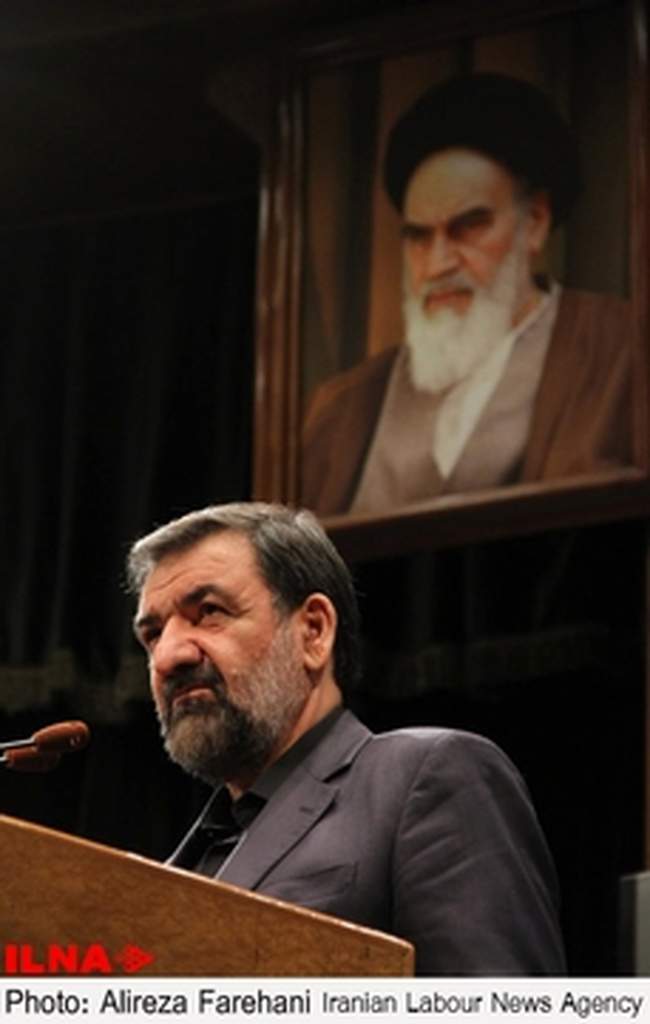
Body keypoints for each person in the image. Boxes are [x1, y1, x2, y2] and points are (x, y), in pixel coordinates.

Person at [127, 500, 566, 975]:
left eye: (209, 612)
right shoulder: (167, 874)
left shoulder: (428, 778)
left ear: (313, 632)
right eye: (153, 635)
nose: (168, 656)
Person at [302, 73, 632, 515]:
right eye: (419, 237)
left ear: (534, 222)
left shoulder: (624, 350)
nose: (437, 264)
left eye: (468, 227)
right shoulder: (340, 408)